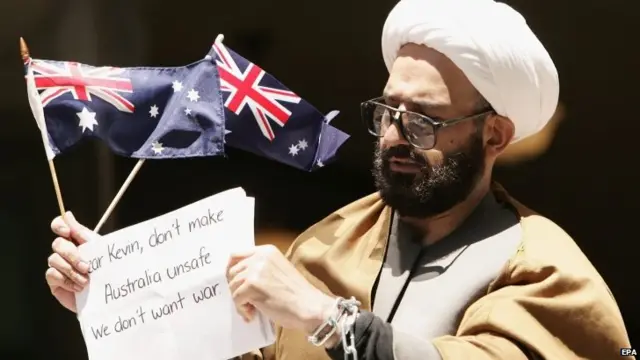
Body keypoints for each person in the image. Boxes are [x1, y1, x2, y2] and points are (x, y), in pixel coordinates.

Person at [46, 0, 633, 358]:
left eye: (425, 120)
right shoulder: (332, 242)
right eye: (389, 112)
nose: (398, 135)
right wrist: (113, 296)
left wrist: (327, 319)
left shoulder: (541, 268)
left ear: (495, 136)